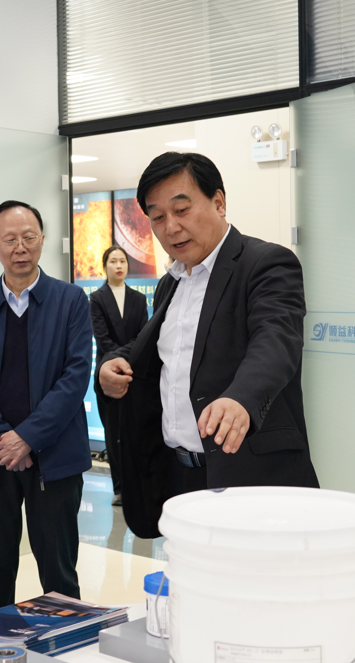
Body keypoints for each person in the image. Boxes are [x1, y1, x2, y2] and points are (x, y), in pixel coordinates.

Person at [98, 152, 317, 537]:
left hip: (249, 476)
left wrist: (242, 398)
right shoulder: (171, 282)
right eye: (157, 218)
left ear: (218, 202)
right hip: (180, 476)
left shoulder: (265, 263)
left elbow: (275, 338)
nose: (171, 227)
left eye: (181, 210)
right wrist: (114, 361)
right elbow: (162, 349)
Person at [0, 201, 93, 611]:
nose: (21, 247)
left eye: (29, 237)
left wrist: (28, 438)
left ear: (43, 240)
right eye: (10, 239)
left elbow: (75, 378)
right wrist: (3, 439)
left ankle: (66, 642)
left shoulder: (71, 300)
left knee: (59, 572)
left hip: (55, 457)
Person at [88, 245, 147, 506]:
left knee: (135, 431)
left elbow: (143, 335)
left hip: (133, 373)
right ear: (105, 266)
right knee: (113, 433)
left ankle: (137, 486)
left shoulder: (138, 298)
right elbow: (102, 338)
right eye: (113, 261)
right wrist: (119, 360)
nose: (119, 265)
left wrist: (129, 360)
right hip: (108, 375)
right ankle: (120, 488)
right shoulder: (96, 298)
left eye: (122, 261)